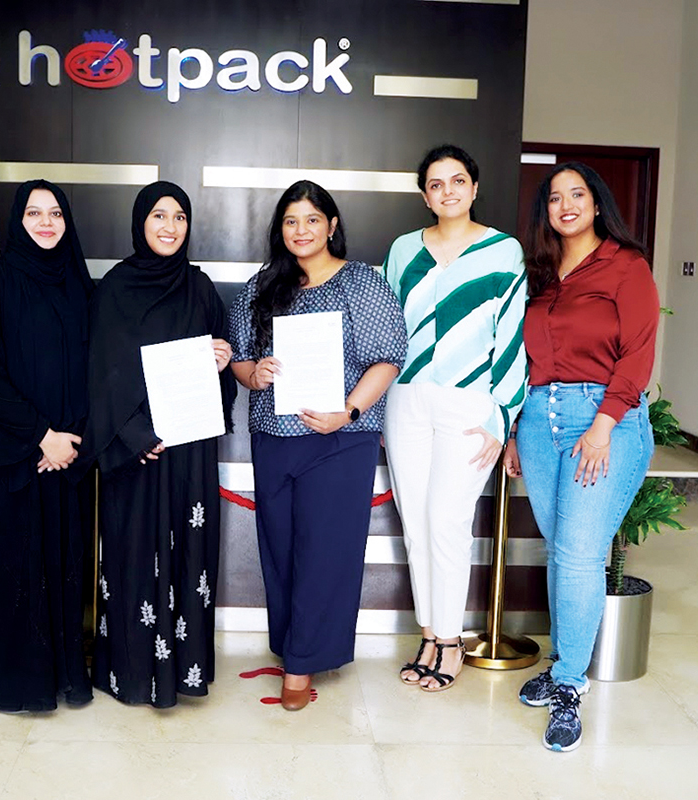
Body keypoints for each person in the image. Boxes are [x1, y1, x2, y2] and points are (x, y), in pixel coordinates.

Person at [227, 180, 406, 711]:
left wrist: (347, 411)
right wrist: (254, 374)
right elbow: (240, 359)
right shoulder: (262, 286)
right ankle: (294, 647)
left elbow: (388, 359)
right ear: (279, 230)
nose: (301, 230)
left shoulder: (361, 282)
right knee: (280, 549)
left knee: (327, 552)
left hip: (341, 438)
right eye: (290, 221)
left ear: (331, 225)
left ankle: (301, 665)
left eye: (311, 219)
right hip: (274, 438)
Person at [502, 162, 658, 752]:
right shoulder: (539, 273)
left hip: (604, 421)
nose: (565, 205)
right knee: (561, 550)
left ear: (597, 204)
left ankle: (569, 685)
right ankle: (562, 664)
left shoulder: (626, 266)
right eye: (554, 197)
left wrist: (603, 426)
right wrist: (515, 429)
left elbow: (638, 354)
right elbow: (522, 360)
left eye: (578, 194)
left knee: (578, 555)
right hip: (538, 421)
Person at [81, 181, 236, 708]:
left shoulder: (200, 287)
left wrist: (221, 362)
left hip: (188, 452)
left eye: (179, 217)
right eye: (159, 216)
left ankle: (185, 673)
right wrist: (134, 436)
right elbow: (99, 373)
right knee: (131, 558)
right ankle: (129, 672)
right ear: (140, 222)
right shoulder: (115, 287)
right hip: (135, 453)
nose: (170, 227)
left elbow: (219, 371)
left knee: (189, 557)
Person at [382, 144, 528, 692]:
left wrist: (501, 416)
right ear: (425, 195)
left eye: (458, 180)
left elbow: (512, 338)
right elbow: (386, 329)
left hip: (470, 403)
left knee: (447, 521)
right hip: (406, 398)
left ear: (474, 187)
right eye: (436, 184)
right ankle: (430, 635)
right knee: (416, 526)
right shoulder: (402, 250)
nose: (448, 191)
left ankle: (451, 641)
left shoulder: (503, 250)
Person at [0, 180, 95, 713]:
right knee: (8, 565)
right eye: (34, 213)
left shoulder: (80, 286)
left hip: (65, 457)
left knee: (59, 565)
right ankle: (10, 684)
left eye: (55, 213)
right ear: (18, 220)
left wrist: (70, 440)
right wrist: (41, 436)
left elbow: (100, 367)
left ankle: (62, 677)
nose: (46, 223)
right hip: (8, 457)